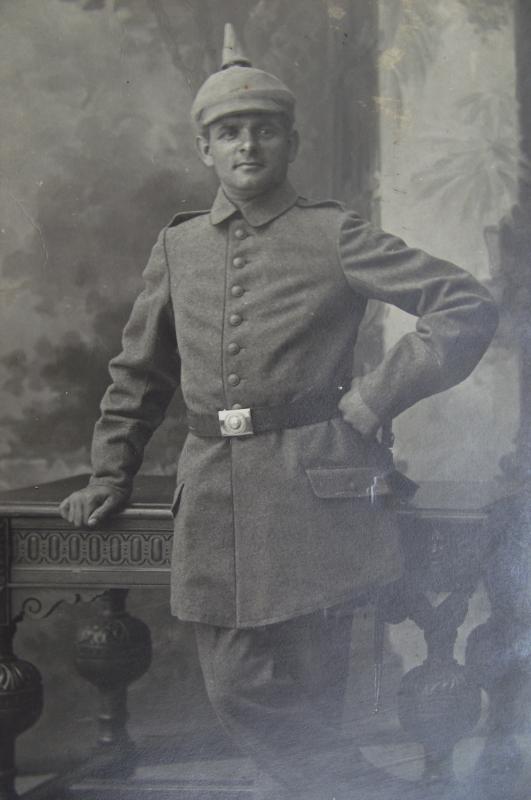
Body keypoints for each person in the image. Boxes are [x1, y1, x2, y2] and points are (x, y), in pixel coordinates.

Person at [60, 24, 498, 800]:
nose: (247, 146)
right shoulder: (180, 249)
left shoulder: (334, 235)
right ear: (205, 149)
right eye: (229, 132)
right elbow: (140, 372)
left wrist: (372, 398)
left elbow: (463, 302)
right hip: (216, 497)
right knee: (238, 686)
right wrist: (109, 473)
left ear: (290, 142)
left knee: (316, 685)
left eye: (264, 130)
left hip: (317, 487)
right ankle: (371, 793)